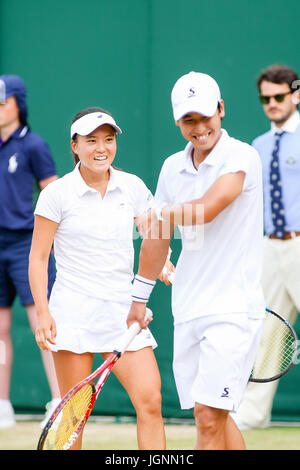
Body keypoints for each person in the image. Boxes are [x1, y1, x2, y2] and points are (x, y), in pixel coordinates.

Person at [126, 71, 266, 450]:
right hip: (188, 307)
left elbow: (206, 210)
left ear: (221, 109)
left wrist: (159, 213)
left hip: (233, 310)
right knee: (213, 417)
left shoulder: (242, 156)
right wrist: (139, 299)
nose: (199, 127)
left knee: (208, 417)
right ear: (177, 122)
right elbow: (157, 238)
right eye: (189, 119)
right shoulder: (172, 167)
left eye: (206, 116)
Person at [28, 107, 169, 450]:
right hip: (73, 314)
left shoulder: (132, 186)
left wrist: (164, 265)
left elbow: (152, 236)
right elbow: (38, 256)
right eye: (91, 141)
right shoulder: (56, 194)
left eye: (108, 139)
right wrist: (43, 313)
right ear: (74, 145)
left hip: (124, 314)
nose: (101, 148)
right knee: (73, 418)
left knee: (150, 401)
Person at [233, 64, 300, 430]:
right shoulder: (257, 147)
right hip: (269, 249)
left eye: (279, 96)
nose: (272, 104)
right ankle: (253, 414)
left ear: (296, 94)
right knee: (268, 332)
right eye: (265, 98)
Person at [0, 74, 60, 429]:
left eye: (1, 101)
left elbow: (52, 195)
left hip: (26, 244)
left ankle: (58, 400)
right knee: (1, 326)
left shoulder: (34, 145)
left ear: (17, 104)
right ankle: (2, 404)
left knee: (42, 320)